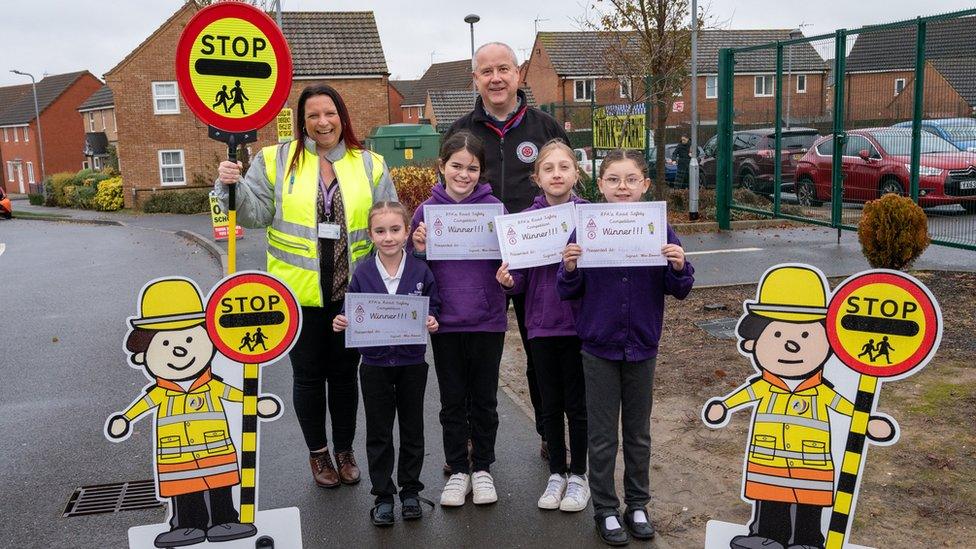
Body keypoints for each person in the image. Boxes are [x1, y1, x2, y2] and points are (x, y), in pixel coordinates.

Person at [215, 83, 397, 490]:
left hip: (353, 294)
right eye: (313, 115)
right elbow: (258, 214)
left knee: (347, 376)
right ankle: (319, 453)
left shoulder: (369, 163)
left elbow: (390, 219)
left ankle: (345, 449)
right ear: (302, 121)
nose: (322, 122)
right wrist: (233, 183)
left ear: (342, 117)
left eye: (329, 113)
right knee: (309, 378)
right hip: (297, 296)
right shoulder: (275, 160)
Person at [557, 149, 695, 546]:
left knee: (638, 434)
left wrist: (679, 265)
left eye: (631, 179)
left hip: (641, 347)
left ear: (645, 185)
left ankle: (637, 504)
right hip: (598, 347)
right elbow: (566, 289)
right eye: (613, 179)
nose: (622, 186)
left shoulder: (659, 228)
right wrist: (568, 268)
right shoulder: (586, 229)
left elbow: (680, 289)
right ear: (599, 185)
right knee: (602, 435)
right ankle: (604, 509)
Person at [703, 265, 896, 549]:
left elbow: (844, 407)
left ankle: (806, 541)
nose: (791, 346)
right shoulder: (765, 386)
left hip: (812, 465)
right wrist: (724, 406)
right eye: (777, 336)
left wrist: (866, 422)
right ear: (754, 340)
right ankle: (766, 536)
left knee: (808, 506)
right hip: (768, 463)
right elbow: (741, 397)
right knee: (770, 502)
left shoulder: (821, 391)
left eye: (806, 336)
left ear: (829, 343)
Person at [446, 41, 571, 463]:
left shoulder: (546, 128)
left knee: (543, 355)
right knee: (471, 359)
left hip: (539, 267)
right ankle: (465, 444)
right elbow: (448, 197)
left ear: (518, 74)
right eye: (487, 71)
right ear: (475, 79)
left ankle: (549, 434)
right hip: (480, 268)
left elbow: (569, 191)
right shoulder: (463, 131)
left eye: (504, 69)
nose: (496, 78)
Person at [106, 278, 281, 548]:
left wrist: (254, 403)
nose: (180, 349)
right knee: (184, 492)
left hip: (215, 450)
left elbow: (233, 395)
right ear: (144, 354)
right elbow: (144, 404)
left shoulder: (211, 385)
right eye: (164, 344)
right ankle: (187, 526)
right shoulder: (162, 391)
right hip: (177, 455)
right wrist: (125, 419)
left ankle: (225, 520)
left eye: (190, 338)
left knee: (220, 486)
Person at [409, 131, 507, 507]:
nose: (464, 174)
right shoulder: (424, 213)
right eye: (456, 166)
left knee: (484, 399)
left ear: (480, 172)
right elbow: (416, 272)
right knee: (452, 400)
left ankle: (482, 467)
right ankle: (457, 468)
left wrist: (507, 273)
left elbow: (509, 264)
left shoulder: (495, 210)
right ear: (442, 167)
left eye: (472, 168)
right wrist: (418, 250)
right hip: (445, 322)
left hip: (487, 320)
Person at [495, 139, 590, 513]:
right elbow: (520, 280)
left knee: (578, 406)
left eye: (564, 167)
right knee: (549, 404)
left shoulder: (589, 217)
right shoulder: (525, 223)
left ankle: (578, 476)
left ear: (576, 173)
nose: (556, 174)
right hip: (541, 325)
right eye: (548, 169)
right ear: (536, 177)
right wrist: (507, 281)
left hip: (582, 327)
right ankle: (556, 473)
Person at [333, 201, 440, 527]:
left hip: (411, 363)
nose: (389, 237)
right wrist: (343, 322)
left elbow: (434, 305)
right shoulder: (363, 272)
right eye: (381, 231)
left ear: (407, 232)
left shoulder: (421, 272)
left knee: (412, 430)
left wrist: (433, 319)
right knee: (379, 432)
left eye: (395, 230)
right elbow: (353, 310)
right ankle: (383, 495)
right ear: (371, 234)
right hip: (375, 364)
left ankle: (409, 491)